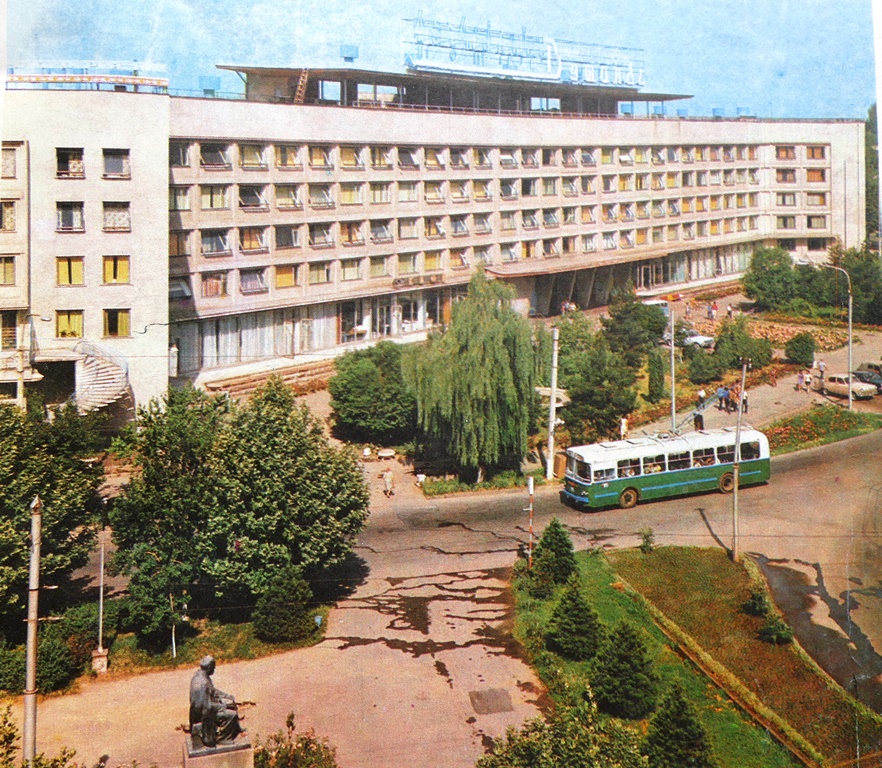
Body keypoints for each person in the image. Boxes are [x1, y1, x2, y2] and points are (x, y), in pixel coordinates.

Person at [189, 656, 243, 748]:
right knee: (232, 715)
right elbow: (206, 707)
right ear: (209, 667)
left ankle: (236, 729)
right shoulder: (202, 683)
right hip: (204, 715)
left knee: (231, 704)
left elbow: (213, 691)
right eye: (214, 667)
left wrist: (226, 696)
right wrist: (224, 706)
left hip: (206, 709)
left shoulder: (201, 675)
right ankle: (223, 738)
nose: (214, 669)